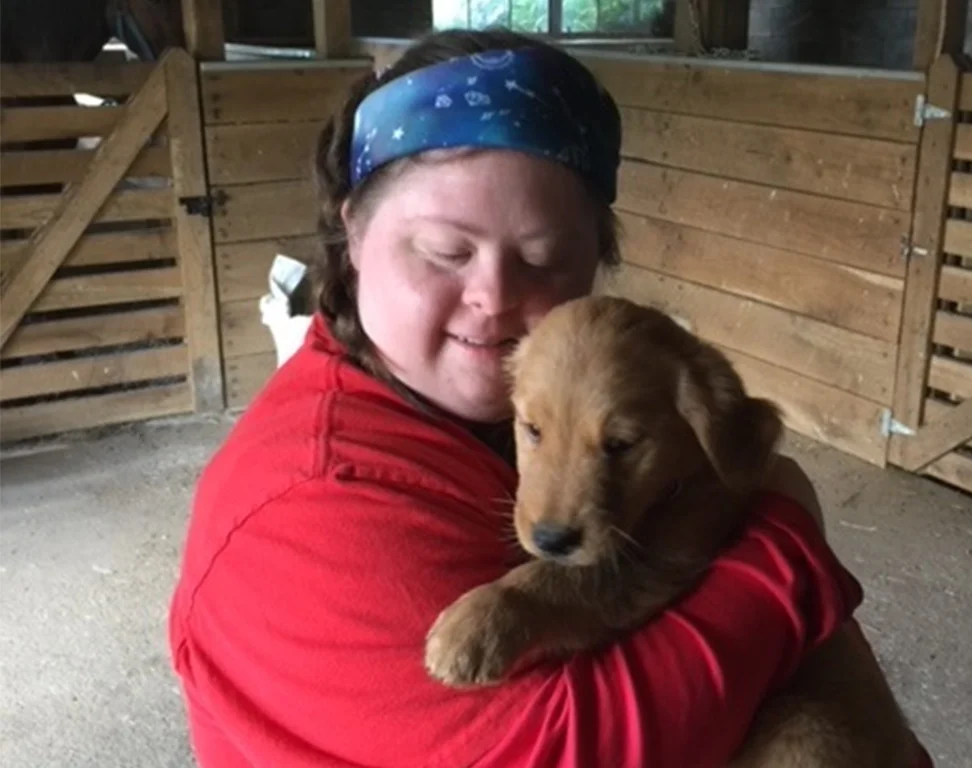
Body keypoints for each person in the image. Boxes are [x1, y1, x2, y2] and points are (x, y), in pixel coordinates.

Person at [167, 28, 911, 768]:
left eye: (545, 257)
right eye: (445, 252)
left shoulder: (496, 401)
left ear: (596, 260)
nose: (494, 297)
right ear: (352, 233)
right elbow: (569, 751)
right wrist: (786, 538)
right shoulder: (311, 504)